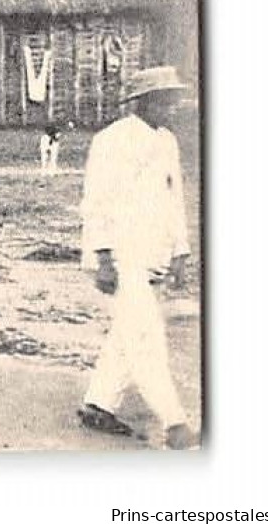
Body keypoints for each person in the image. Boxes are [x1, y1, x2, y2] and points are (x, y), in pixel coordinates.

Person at [77, 66, 196, 450]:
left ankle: (98, 403)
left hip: (155, 253)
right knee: (145, 337)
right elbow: (96, 202)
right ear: (143, 102)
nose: (173, 108)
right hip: (122, 252)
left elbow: (173, 198)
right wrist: (104, 257)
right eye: (165, 101)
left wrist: (180, 253)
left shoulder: (167, 142)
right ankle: (175, 422)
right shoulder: (111, 140)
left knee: (128, 333)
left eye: (175, 101)